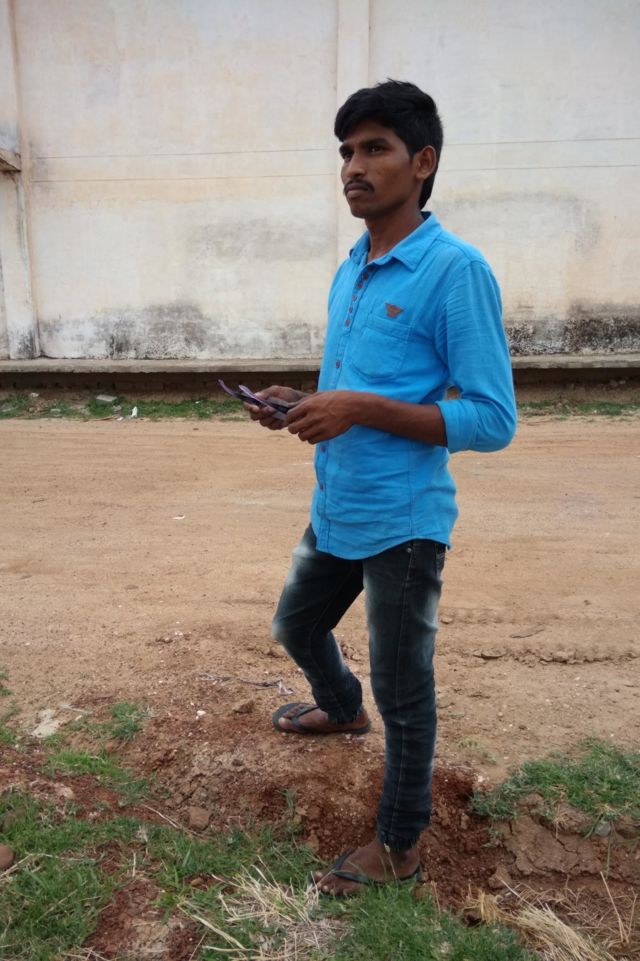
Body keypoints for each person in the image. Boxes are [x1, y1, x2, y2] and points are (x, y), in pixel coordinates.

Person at [247, 80, 516, 897]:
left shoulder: (455, 271)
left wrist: (357, 407)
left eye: (374, 149)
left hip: (405, 522)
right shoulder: (354, 268)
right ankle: (340, 705)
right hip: (339, 504)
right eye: (346, 152)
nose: (353, 168)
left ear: (422, 162)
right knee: (296, 623)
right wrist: (303, 402)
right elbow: (355, 384)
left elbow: (492, 418)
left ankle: (400, 843)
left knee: (405, 691)